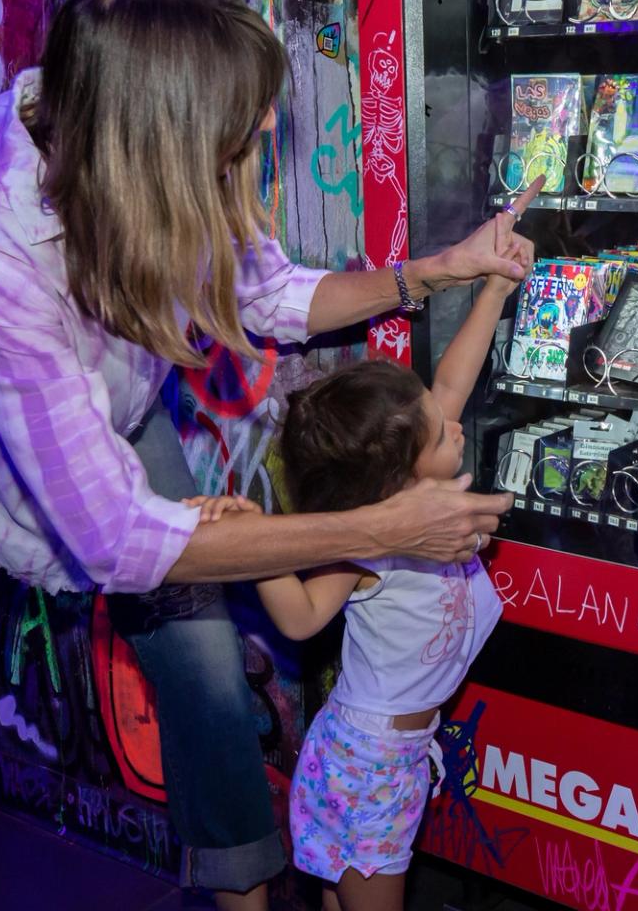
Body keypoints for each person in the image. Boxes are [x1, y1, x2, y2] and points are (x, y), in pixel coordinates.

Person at [0, 0, 530, 910]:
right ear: (162, 131)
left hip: (115, 424)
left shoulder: (153, 149)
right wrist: (380, 530)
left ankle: (241, 892)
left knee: (208, 674)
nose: (257, 148)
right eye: (245, 135)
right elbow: (118, 540)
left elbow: (271, 296)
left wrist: (432, 273)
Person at [202, 244, 526, 911]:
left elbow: (451, 388)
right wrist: (251, 535)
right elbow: (298, 618)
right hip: (366, 766)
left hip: (391, 757)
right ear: (398, 476)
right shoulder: (369, 546)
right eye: (440, 436)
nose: (455, 429)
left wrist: (496, 287)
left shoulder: (422, 491)